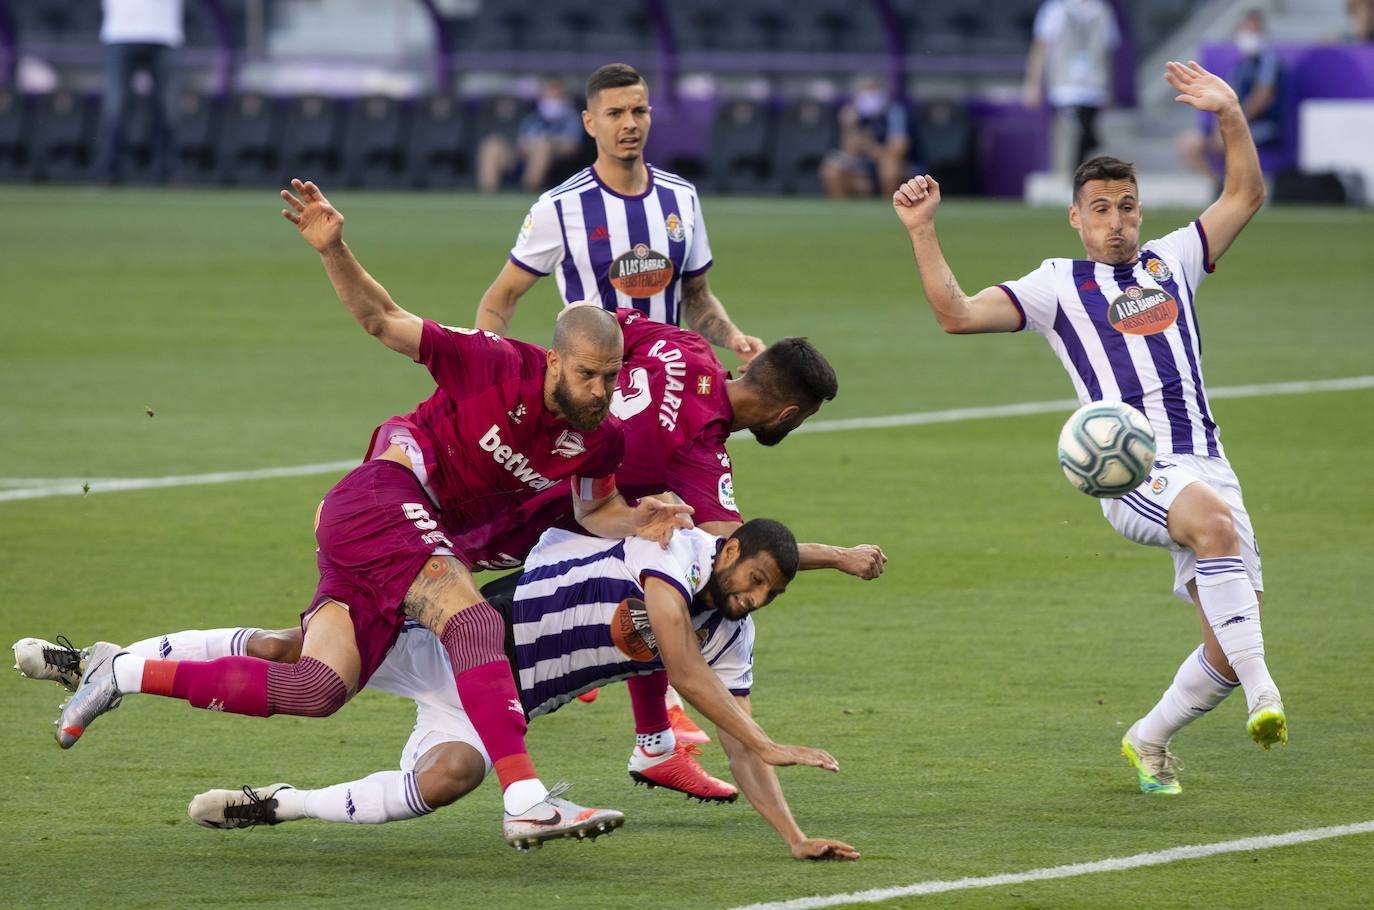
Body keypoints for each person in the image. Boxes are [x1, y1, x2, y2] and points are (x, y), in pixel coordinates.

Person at [52, 179, 692, 850]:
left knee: (317, 686)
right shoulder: (493, 362)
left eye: (611, 378)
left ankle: (120, 670)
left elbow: (598, 510)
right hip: (383, 498)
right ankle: (527, 799)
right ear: (556, 359)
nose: (601, 391)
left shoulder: (601, 438)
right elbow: (384, 319)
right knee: (469, 616)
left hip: (400, 544)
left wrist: (644, 518)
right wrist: (334, 249)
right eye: (589, 375)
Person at [892, 61, 1285, 796]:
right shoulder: (1055, 284)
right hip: (1128, 467)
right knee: (1216, 529)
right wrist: (922, 231)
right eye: (1100, 209)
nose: (1116, 222)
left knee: (1230, 644)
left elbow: (1245, 193)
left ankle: (1149, 737)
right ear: (1076, 218)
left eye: (1127, 207)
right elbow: (957, 313)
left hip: (1208, 459)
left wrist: (1230, 110)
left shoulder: (1175, 260)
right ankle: (1269, 697)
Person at [21, 521, 861, 860]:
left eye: (768, 595)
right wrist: (757, 735)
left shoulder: (731, 631)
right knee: (297, 654)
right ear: (724, 551)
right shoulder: (670, 546)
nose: (751, 600)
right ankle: (107, 663)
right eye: (750, 579)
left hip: (488, 702)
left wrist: (793, 834)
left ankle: (277, 805)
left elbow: (732, 713)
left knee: (454, 777)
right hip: (446, 632)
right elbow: (681, 669)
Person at [476, 63, 763, 366]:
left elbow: (697, 296)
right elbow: (501, 297)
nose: (630, 124)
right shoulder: (559, 206)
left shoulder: (682, 196)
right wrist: (484, 371)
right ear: (589, 123)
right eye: (615, 114)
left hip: (670, 386)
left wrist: (734, 338)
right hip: (597, 397)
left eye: (639, 111)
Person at [1178, 10, 1282, 182]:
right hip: (1235, 121)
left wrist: (1235, 120)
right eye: (1245, 30)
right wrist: (1217, 127)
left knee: (1224, 141)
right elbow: (1224, 99)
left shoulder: (1268, 61)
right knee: (1189, 144)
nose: (1249, 36)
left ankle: (1239, 188)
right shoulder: (1239, 67)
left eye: (1254, 31)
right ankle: (1220, 186)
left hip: (1264, 126)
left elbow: (1263, 96)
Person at [1022, 0, 1119, 173]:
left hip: (1094, 87)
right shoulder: (1055, 10)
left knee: (1087, 137)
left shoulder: (1102, 11)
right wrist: (1032, 84)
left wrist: (1109, 89)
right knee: (1073, 133)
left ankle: (1079, 178)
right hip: (1065, 87)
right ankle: (1071, 177)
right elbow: (1040, 47)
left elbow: (1107, 52)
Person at [94, 0, 182, 183]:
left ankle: (165, 171)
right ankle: (109, 170)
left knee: (167, 108)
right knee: (116, 106)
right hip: (120, 32)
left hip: (163, 33)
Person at [476, 78, 585, 194]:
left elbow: (573, 146)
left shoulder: (571, 117)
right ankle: (487, 193)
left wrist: (550, 142)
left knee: (542, 145)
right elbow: (521, 140)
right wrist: (529, 145)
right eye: (549, 94)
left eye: (556, 95)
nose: (552, 99)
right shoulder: (534, 117)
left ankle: (528, 191)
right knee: (492, 144)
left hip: (555, 158)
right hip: (524, 156)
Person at [820, 77, 912, 199]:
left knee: (890, 166)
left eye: (873, 90)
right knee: (832, 169)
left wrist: (870, 148)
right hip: (859, 163)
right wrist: (848, 127)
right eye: (865, 91)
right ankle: (840, 210)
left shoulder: (894, 111)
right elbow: (848, 151)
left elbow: (899, 148)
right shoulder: (852, 113)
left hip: (884, 161)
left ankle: (891, 207)